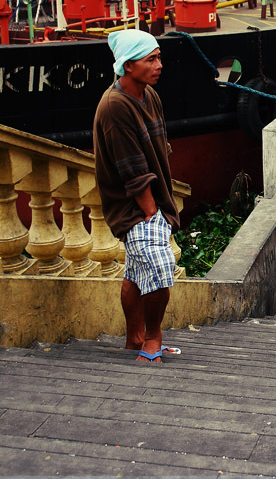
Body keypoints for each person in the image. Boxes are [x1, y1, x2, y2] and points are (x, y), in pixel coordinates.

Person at [93, 29, 181, 363]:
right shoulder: (115, 106)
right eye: (151, 59)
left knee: (135, 272)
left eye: (159, 57)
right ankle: (153, 337)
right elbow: (131, 169)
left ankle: (134, 337)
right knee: (160, 269)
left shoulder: (148, 94)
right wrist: (151, 213)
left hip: (152, 200)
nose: (160, 64)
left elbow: (157, 147)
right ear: (128, 66)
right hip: (135, 207)